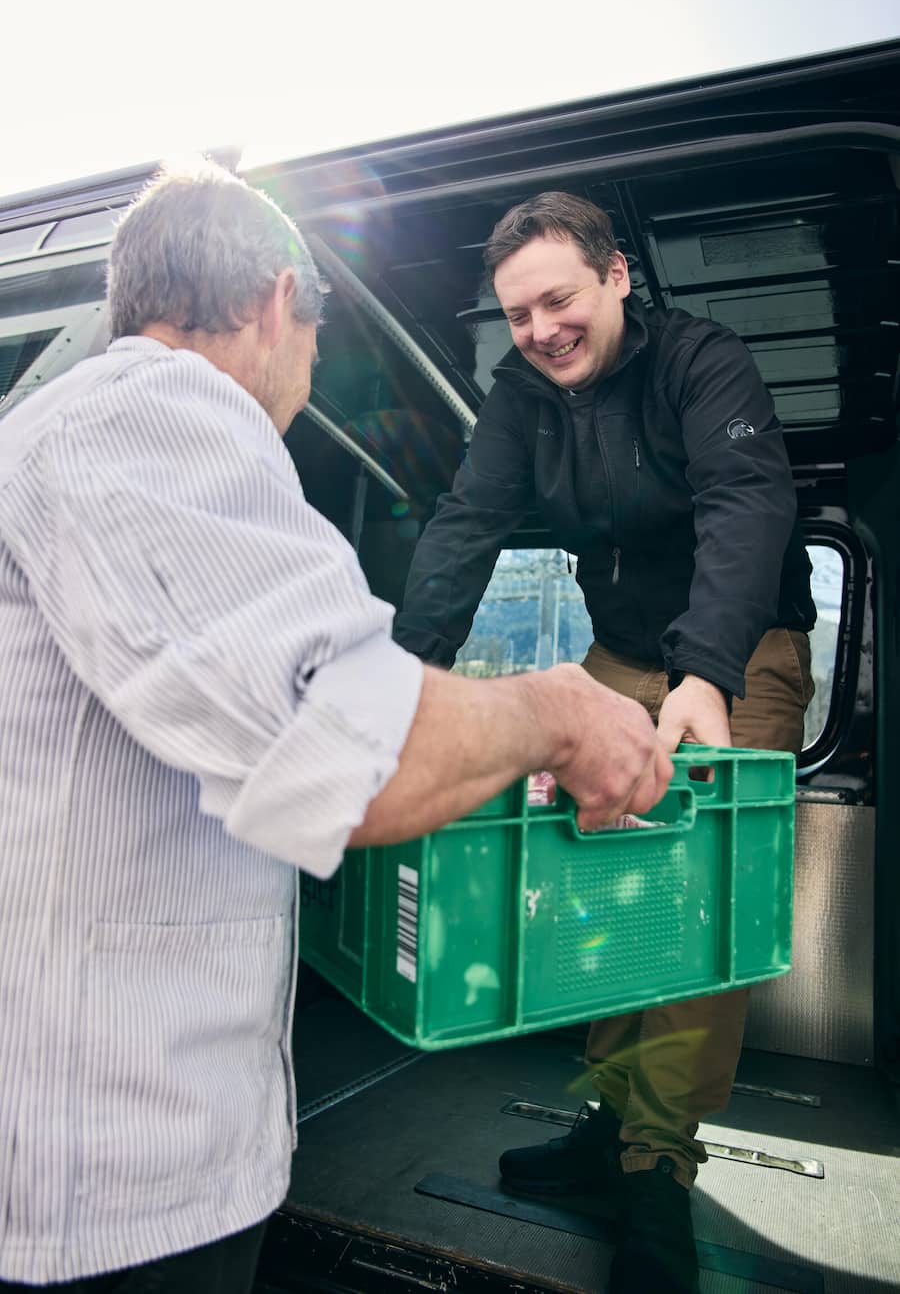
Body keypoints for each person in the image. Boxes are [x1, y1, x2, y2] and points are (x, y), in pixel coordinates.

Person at [0, 165, 672, 1293]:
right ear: (275, 302)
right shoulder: (159, 414)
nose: (308, 375)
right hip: (102, 1187)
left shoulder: (72, 429)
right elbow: (353, 751)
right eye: (315, 342)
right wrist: (558, 709)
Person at [394, 191, 816, 1293]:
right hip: (616, 649)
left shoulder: (703, 364)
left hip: (741, 646)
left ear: (617, 275)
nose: (540, 329)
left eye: (559, 299)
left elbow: (745, 503)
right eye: (519, 311)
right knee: (594, 896)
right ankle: (604, 1126)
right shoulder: (521, 396)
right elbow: (467, 522)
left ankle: (657, 1173)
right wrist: (397, 678)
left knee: (696, 907)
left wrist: (709, 673)